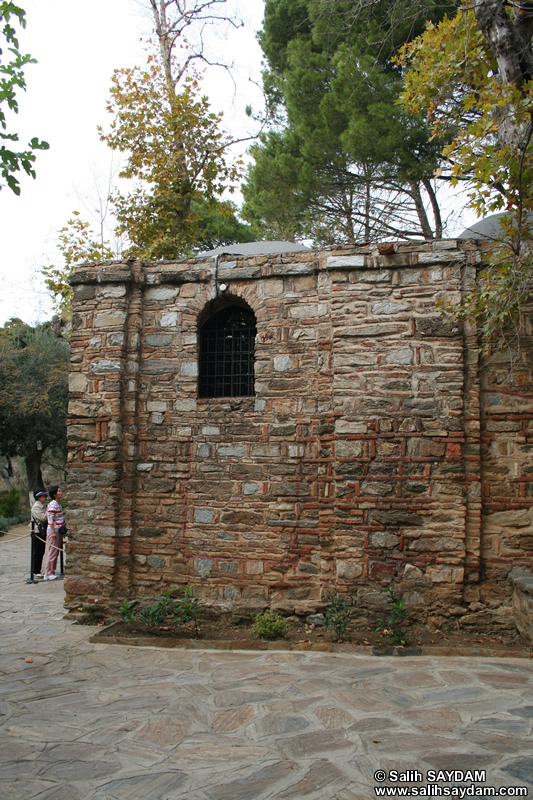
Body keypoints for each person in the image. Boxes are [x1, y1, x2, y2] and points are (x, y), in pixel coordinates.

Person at [43, 485, 66, 581]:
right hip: (54, 530)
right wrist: (52, 531)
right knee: (52, 552)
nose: (61, 492)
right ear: (54, 494)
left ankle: (52, 571)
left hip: (58, 530)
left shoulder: (58, 504)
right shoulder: (53, 504)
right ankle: (48, 573)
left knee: (55, 552)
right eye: (59, 491)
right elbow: (50, 518)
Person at [30, 491, 48, 579]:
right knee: (37, 551)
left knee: (41, 551)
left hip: (41, 531)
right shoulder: (36, 507)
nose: (46, 497)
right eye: (44, 496)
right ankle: (35, 570)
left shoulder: (42, 506)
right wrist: (49, 512)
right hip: (37, 532)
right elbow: (43, 518)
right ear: (39, 497)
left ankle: (37, 569)